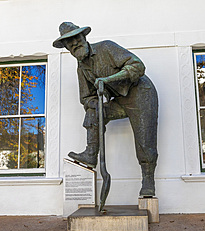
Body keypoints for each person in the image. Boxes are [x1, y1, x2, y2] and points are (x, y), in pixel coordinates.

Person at [53, 22, 158, 197]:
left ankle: (148, 181)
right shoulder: (81, 68)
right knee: (93, 112)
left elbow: (138, 66)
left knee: (145, 142)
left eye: (76, 39)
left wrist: (108, 80)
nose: (75, 44)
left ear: (84, 37)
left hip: (141, 94)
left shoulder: (106, 48)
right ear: (66, 48)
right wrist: (95, 105)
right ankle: (91, 154)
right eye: (69, 44)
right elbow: (86, 98)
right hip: (120, 101)